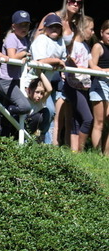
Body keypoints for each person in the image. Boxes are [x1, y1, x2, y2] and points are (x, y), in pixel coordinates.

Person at [27, 13, 67, 144]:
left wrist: (58, 63)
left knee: (49, 112)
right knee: (32, 113)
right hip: (32, 82)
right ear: (45, 28)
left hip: (46, 83)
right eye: (51, 26)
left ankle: (39, 140)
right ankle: (24, 141)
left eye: (57, 26)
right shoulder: (41, 39)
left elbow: (64, 59)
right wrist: (56, 61)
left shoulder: (61, 42)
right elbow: (40, 60)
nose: (54, 29)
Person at [0, 10, 32, 131]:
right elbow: (12, 58)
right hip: (6, 81)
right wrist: (23, 54)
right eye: (21, 25)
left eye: (27, 25)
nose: (24, 28)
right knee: (25, 107)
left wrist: (26, 58)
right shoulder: (12, 38)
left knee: (9, 124)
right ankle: (0, 110)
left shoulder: (25, 40)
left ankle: (5, 129)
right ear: (13, 26)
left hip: (17, 80)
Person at [63, 16, 94, 151]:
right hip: (73, 86)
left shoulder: (86, 46)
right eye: (91, 29)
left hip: (84, 87)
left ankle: (75, 152)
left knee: (77, 119)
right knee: (88, 119)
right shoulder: (72, 46)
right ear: (82, 28)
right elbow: (70, 63)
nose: (93, 32)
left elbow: (91, 65)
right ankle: (81, 151)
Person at [89, 20, 109, 155]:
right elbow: (93, 67)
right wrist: (107, 71)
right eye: (108, 33)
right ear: (101, 32)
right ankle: (97, 154)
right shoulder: (98, 46)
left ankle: (106, 155)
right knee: (99, 122)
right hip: (100, 84)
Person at [23, 72, 53, 139]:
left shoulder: (41, 100)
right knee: (36, 117)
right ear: (29, 91)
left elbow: (49, 89)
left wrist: (40, 72)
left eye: (42, 93)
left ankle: (39, 135)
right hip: (23, 124)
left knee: (46, 111)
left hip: (34, 126)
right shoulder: (24, 97)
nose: (39, 96)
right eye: (37, 92)